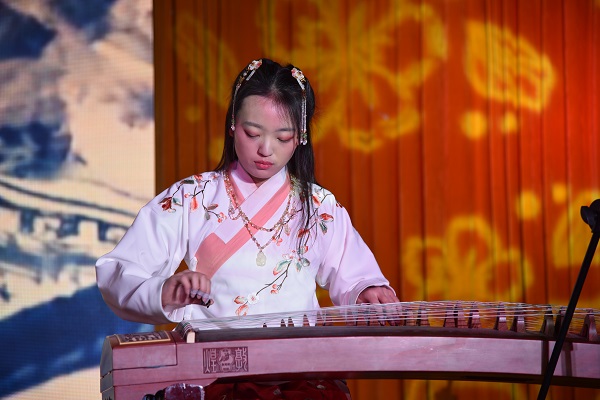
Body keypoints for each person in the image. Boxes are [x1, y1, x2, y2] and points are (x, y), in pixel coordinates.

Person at [96, 58, 398, 399]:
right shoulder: (192, 197)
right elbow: (119, 271)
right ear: (232, 125)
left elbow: (355, 274)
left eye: (283, 137)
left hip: (297, 373)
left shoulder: (318, 206)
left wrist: (366, 291)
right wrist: (166, 289)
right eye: (252, 133)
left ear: (300, 137)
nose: (265, 149)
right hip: (213, 371)